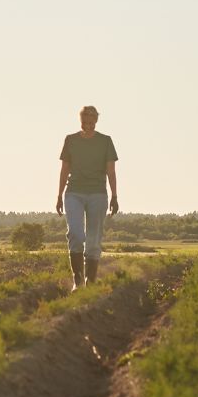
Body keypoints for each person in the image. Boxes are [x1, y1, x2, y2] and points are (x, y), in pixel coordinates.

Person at [55, 105, 120, 292]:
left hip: (98, 194)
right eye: (85, 122)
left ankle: (90, 282)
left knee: (93, 240)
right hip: (74, 192)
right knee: (75, 234)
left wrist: (115, 196)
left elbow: (111, 172)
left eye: (92, 122)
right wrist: (59, 195)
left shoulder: (105, 141)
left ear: (96, 121)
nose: (88, 125)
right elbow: (64, 169)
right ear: (80, 121)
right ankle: (78, 280)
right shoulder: (70, 140)